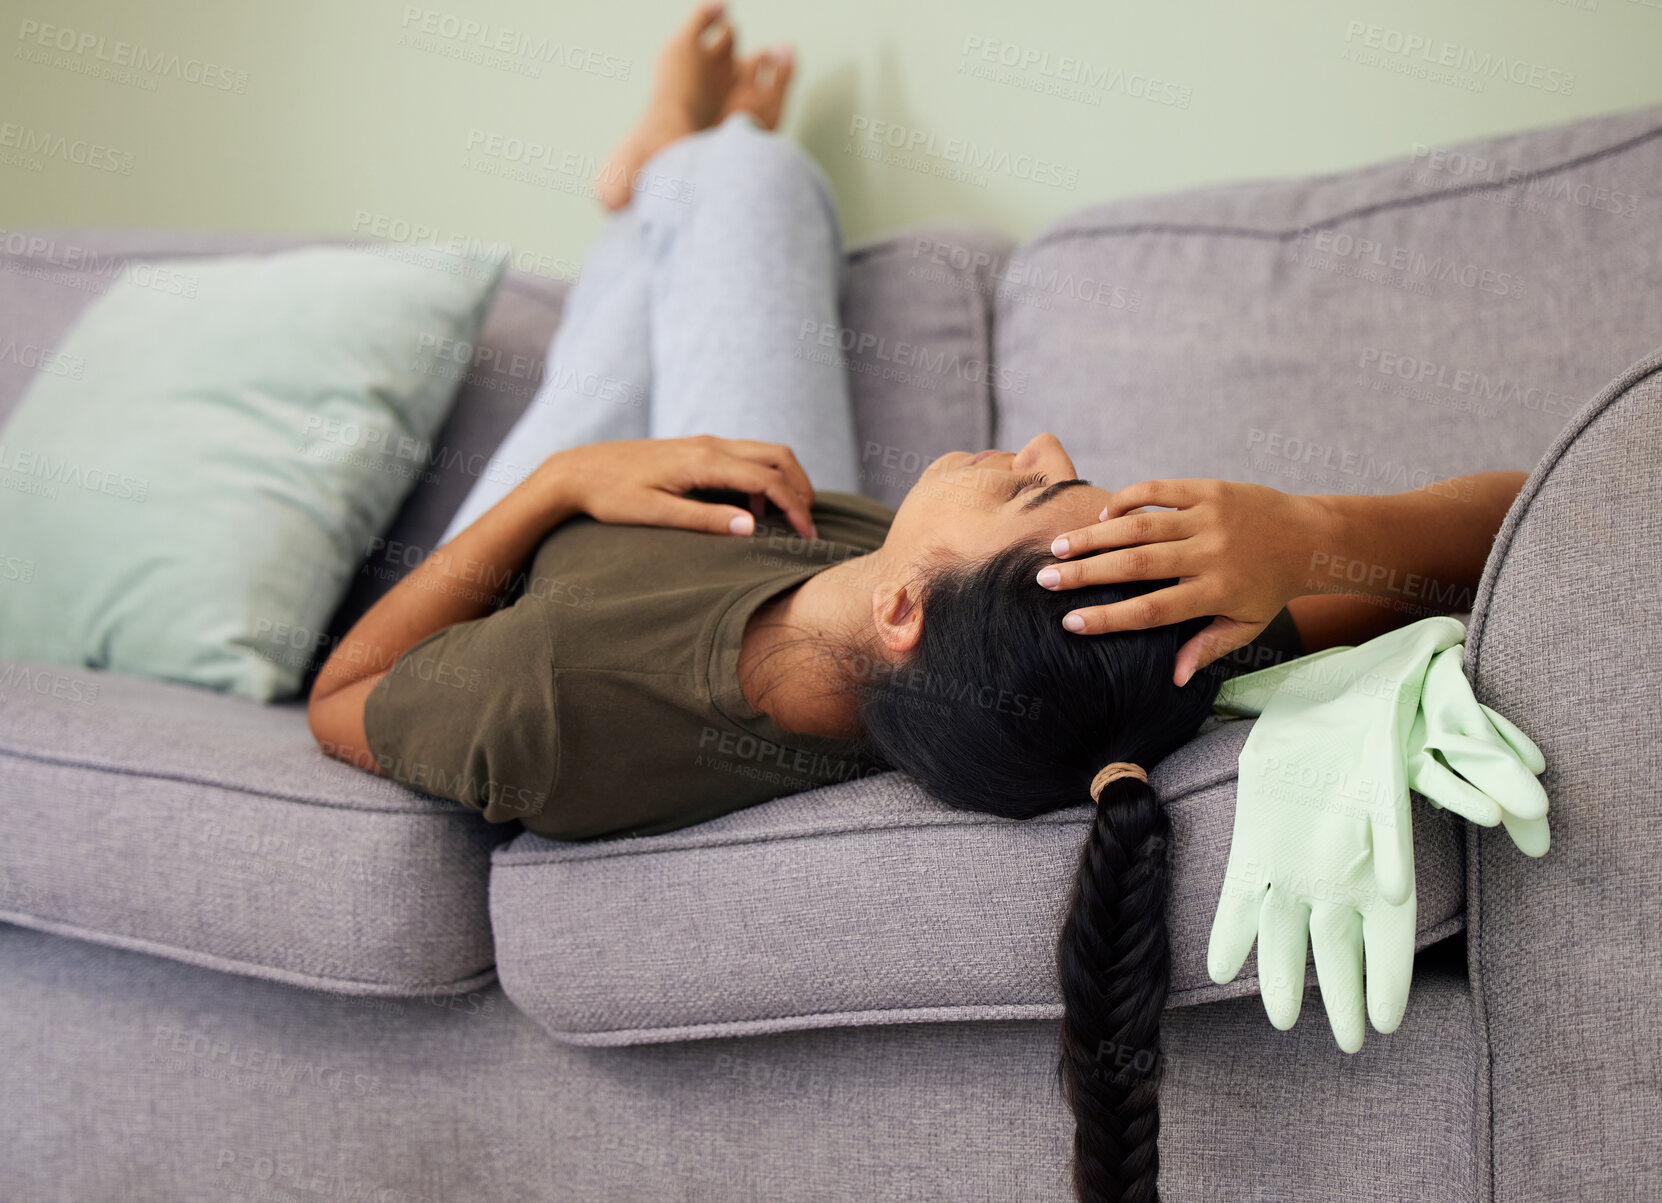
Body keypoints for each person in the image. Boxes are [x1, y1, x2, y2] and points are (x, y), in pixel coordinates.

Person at [309, 7, 1525, 1200]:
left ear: (906, 610)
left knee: (731, 195)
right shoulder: (1078, 654)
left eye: (1035, 487)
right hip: (770, 520)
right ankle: (666, 174)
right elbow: (1536, 515)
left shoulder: (550, 698)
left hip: (552, 549)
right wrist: (1313, 531)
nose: (1038, 440)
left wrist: (556, 484)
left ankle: (658, 177)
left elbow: (339, 697)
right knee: (749, 181)